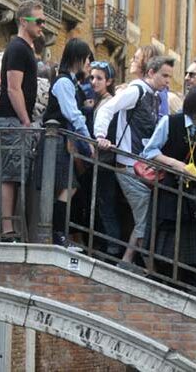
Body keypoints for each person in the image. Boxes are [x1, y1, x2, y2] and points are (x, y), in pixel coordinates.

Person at [94, 56, 175, 266]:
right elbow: (106, 108)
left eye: (169, 77)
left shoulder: (154, 97)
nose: (168, 81)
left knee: (146, 216)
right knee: (145, 217)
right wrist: (101, 135)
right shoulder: (136, 91)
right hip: (128, 166)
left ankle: (131, 262)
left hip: (141, 167)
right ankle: (142, 266)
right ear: (150, 73)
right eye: (164, 75)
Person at [142, 85, 196, 287]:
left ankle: (184, 279)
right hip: (168, 187)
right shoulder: (170, 122)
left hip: (191, 190)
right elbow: (149, 151)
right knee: (164, 231)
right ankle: (158, 273)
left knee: (193, 231)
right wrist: (175, 164)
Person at [0, 1, 43, 240]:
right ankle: (7, 230)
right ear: (24, 22)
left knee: (15, 173)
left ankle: (12, 228)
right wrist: (26, 121)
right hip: (12, 120)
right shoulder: (17, 48)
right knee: (10, 175)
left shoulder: (24, 49)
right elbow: (13, 89)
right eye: (39, 21)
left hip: (16, 119)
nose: (42, 26)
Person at [40, 38, 93, 248]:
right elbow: (73, 114)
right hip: (57, 140)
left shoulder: (70, 82)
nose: (89, 63)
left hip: (62, 140)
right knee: (67, 186)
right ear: (78, 58)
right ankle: (57, 236)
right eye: (87, 59)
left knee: (67, 186)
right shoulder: (63, 82)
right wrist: (88, 140)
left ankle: (59, 235)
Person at [89, 61, 122, 257]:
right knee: (102, 204)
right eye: (92, 77)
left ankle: (112, 248)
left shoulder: (110, 103)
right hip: (100, 161)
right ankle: (107, 245)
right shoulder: (99, 101)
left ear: (109, 81)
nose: (94, 82)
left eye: (99, 78)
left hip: (106, 161)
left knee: (106, 204)